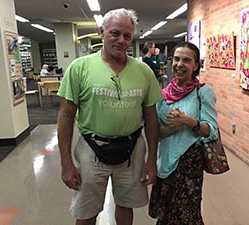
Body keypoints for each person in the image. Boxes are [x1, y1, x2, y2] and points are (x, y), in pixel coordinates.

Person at [57, 8, 163, 225]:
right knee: (86, 211)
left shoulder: (143, 71)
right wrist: (66, 164)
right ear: (101, 32)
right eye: (115, 33)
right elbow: (66, 117)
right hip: (91, 149)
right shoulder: (80, 68)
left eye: (127, 36)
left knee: (126, 204)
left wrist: (151, 160)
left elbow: (151, 118)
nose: (121, 40)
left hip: (132, 149)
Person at [148, 42, 218, 225]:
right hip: (164, 162)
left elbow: (211, 131)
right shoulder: (162, 95)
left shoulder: (202, 92)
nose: (180, 64)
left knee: (186, 215)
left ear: (195, 65)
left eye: (187, 60)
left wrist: (187, 121)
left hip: (189, 164)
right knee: (165, 214)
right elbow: (156, 133)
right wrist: (172, 127)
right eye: (177, 59)